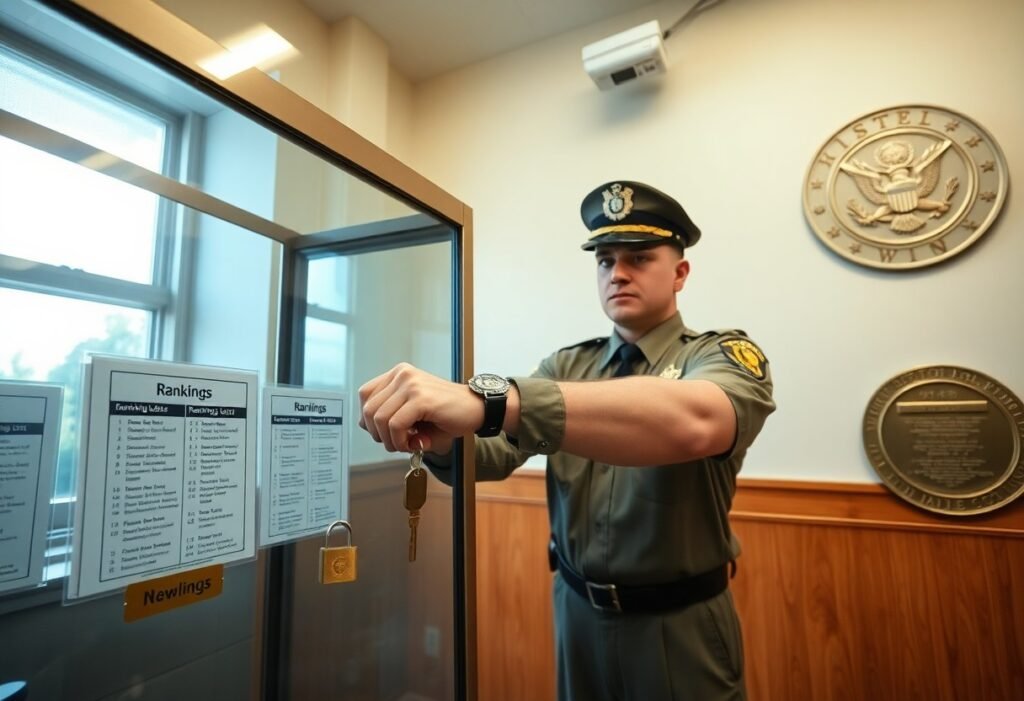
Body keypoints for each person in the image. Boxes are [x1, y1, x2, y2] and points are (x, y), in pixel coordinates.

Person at [358, 181, 776, 701]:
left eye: (639, 258)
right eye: (605, 261)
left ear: (680, 273)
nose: (617, 273)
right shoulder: (567, 366)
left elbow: (697, 420)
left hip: (678, 623)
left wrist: (493, 402)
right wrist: (440, 436)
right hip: (577, 611)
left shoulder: (719, 355)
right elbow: (494, 452)